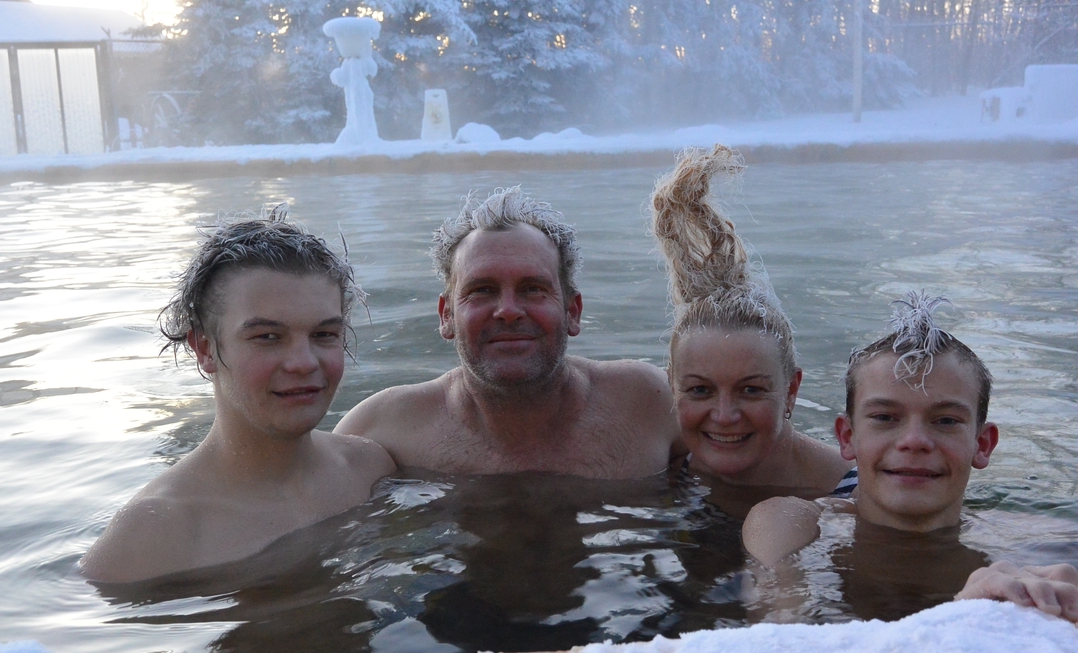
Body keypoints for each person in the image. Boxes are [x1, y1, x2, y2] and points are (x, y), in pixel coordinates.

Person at [80, 209, 395, 583]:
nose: (303, 362)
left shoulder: (369, 469)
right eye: (267, 336)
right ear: (205, 348)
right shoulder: (154, 535)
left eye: (324, 334)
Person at [334, 186, 681, 479]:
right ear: (447, 316)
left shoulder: (652, 405)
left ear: (572, 312)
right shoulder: (383, 431)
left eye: (532, 289)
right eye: (482, 290)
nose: (509, 311)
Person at [650, 145, 852, 506]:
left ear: (791, 390)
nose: (725, 416)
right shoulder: (661, 472)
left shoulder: (858, 493)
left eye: (752, 390)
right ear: (671, 386)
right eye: (699, 391)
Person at [741, 291, 999, 566]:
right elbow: (779, 605)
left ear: (982, 444)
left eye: (946, 421)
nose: (914, 441)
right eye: (885, 418)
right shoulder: (790, 524)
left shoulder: (1030, 542)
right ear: (847, 437)